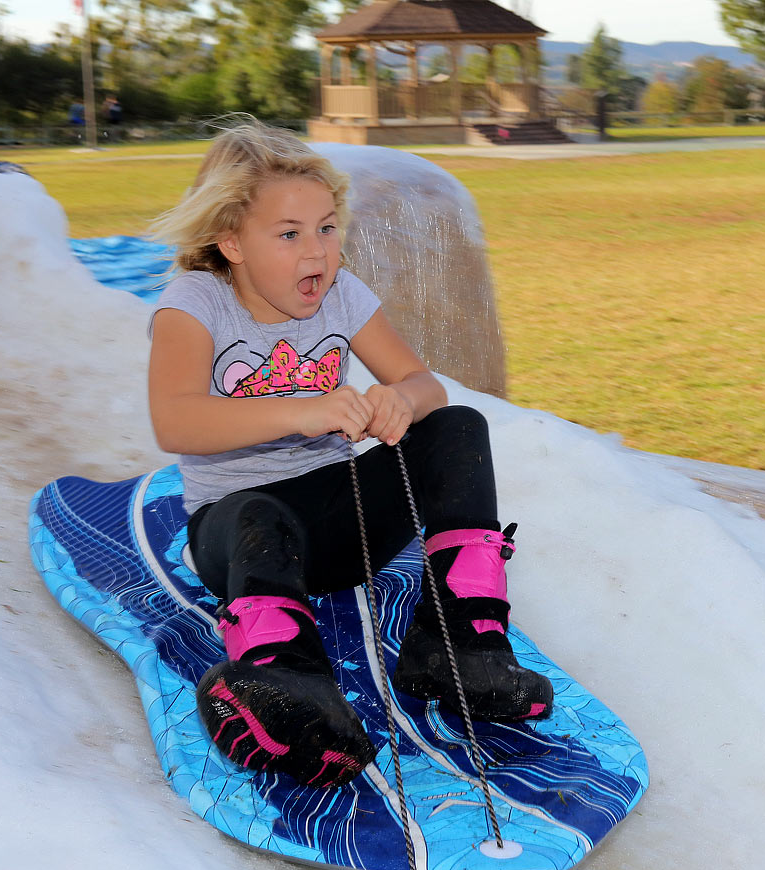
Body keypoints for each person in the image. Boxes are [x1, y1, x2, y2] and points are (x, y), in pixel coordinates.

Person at [147, 118, 552, 789]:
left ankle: (456, 642)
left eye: (327, 227)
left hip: (345, 522)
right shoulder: (195, 303)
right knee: (256, 513)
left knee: (456, 425)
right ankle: (283, 687)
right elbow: (175, 420)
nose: (318, 252)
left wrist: (402, 402)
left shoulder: (342, 292)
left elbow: (424, 381)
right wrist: (303, 410)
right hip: (246, 537)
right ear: (231, 241)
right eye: (289, 233)